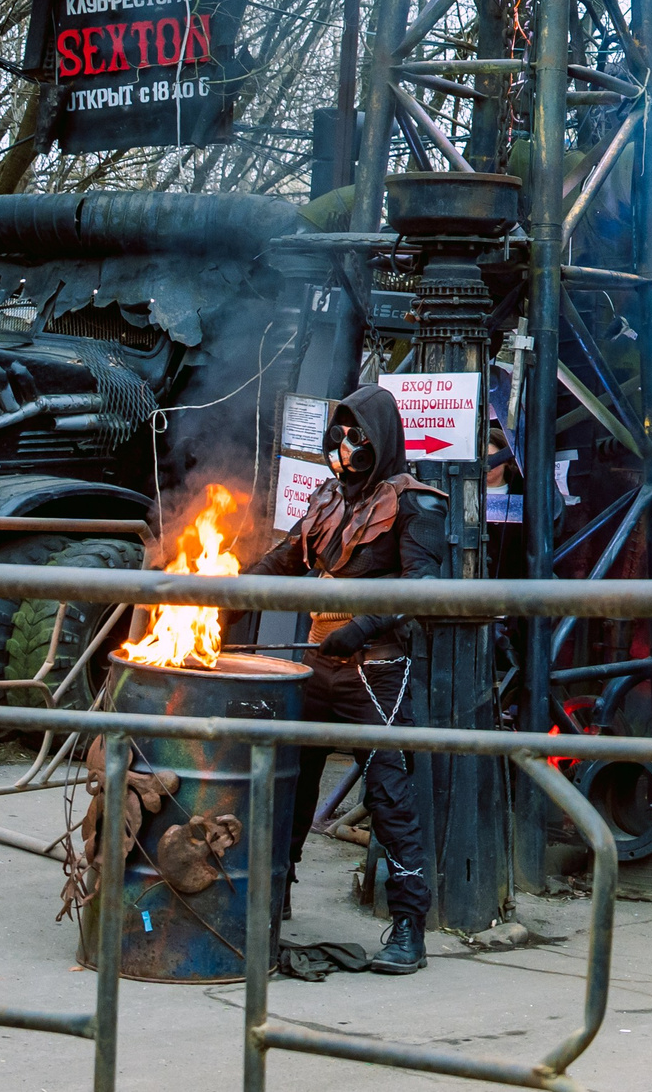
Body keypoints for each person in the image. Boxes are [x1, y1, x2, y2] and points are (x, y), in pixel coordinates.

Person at [238, 383, 445, 974]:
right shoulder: (328, 497)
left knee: (389, 798)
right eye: (340, 433)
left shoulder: (417, 504)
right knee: (290, 783)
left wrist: (362, 625)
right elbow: (287, 557)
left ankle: (409, 930)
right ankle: (273, 899)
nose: (346, 444)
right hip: (317, 665)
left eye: (359, 435)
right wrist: (227, 590)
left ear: (383, 439)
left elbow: (422, 586)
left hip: (375, 669)